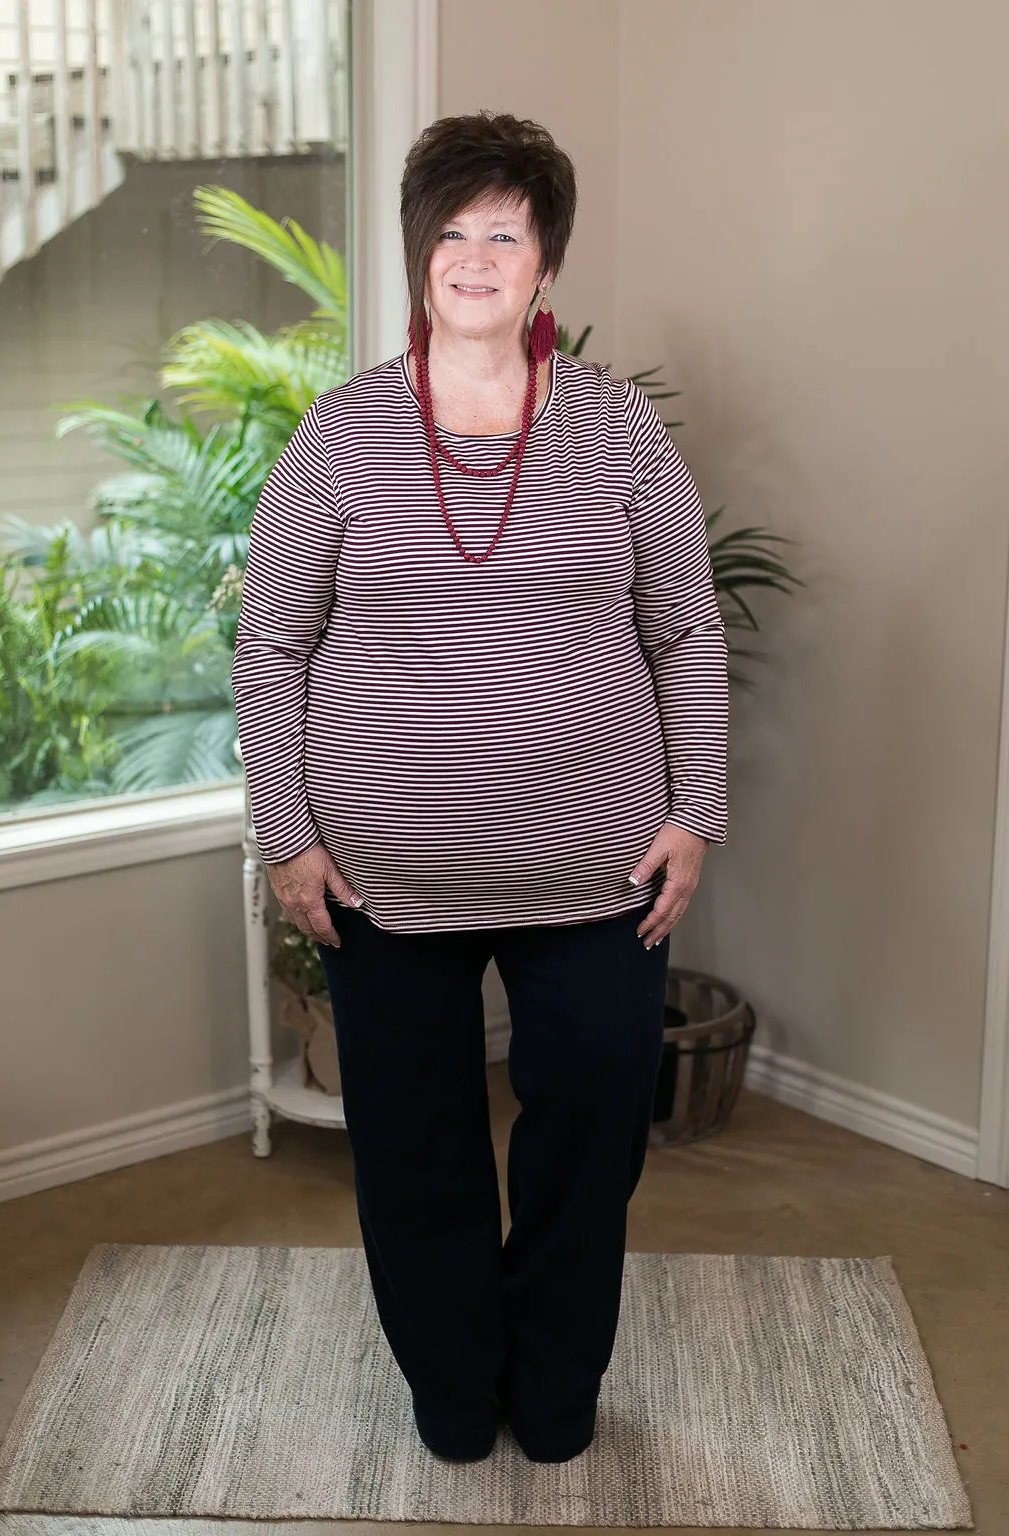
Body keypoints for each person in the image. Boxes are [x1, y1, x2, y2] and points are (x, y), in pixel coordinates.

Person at [231, 110, 729, 1467]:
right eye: (449, 231)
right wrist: (287, 837)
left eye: (502, 231)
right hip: (384, 882)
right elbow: (269, 641)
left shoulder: (621, 438)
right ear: (416, 260)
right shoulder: (339, 441)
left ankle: (555, 1391)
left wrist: (695, 816)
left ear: (545, 265)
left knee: (584, 1146)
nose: (474, 255)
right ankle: (454, 1395)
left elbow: (685, 626)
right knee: (419, 1151)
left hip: (598, 874)